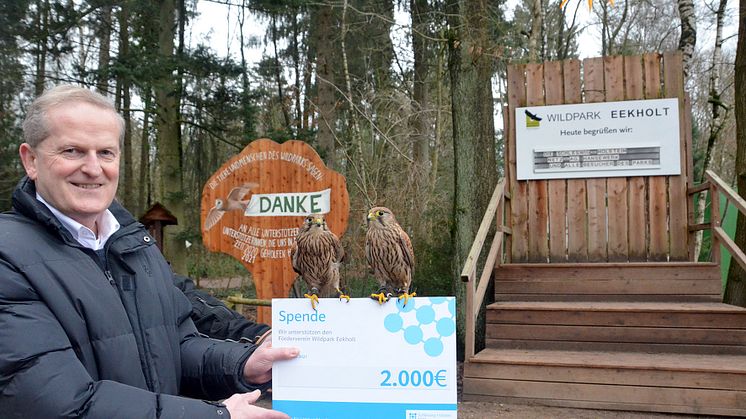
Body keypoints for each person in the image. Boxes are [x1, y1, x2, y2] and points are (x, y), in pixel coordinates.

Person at [0, 85, 298, 418]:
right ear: (31, 160)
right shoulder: (8, 256)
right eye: (72, 151)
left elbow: (176, 348)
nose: (93, 168)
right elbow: (58, 404)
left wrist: (243, 365)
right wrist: (216, 416)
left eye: (106, 153)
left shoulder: (134, 245)